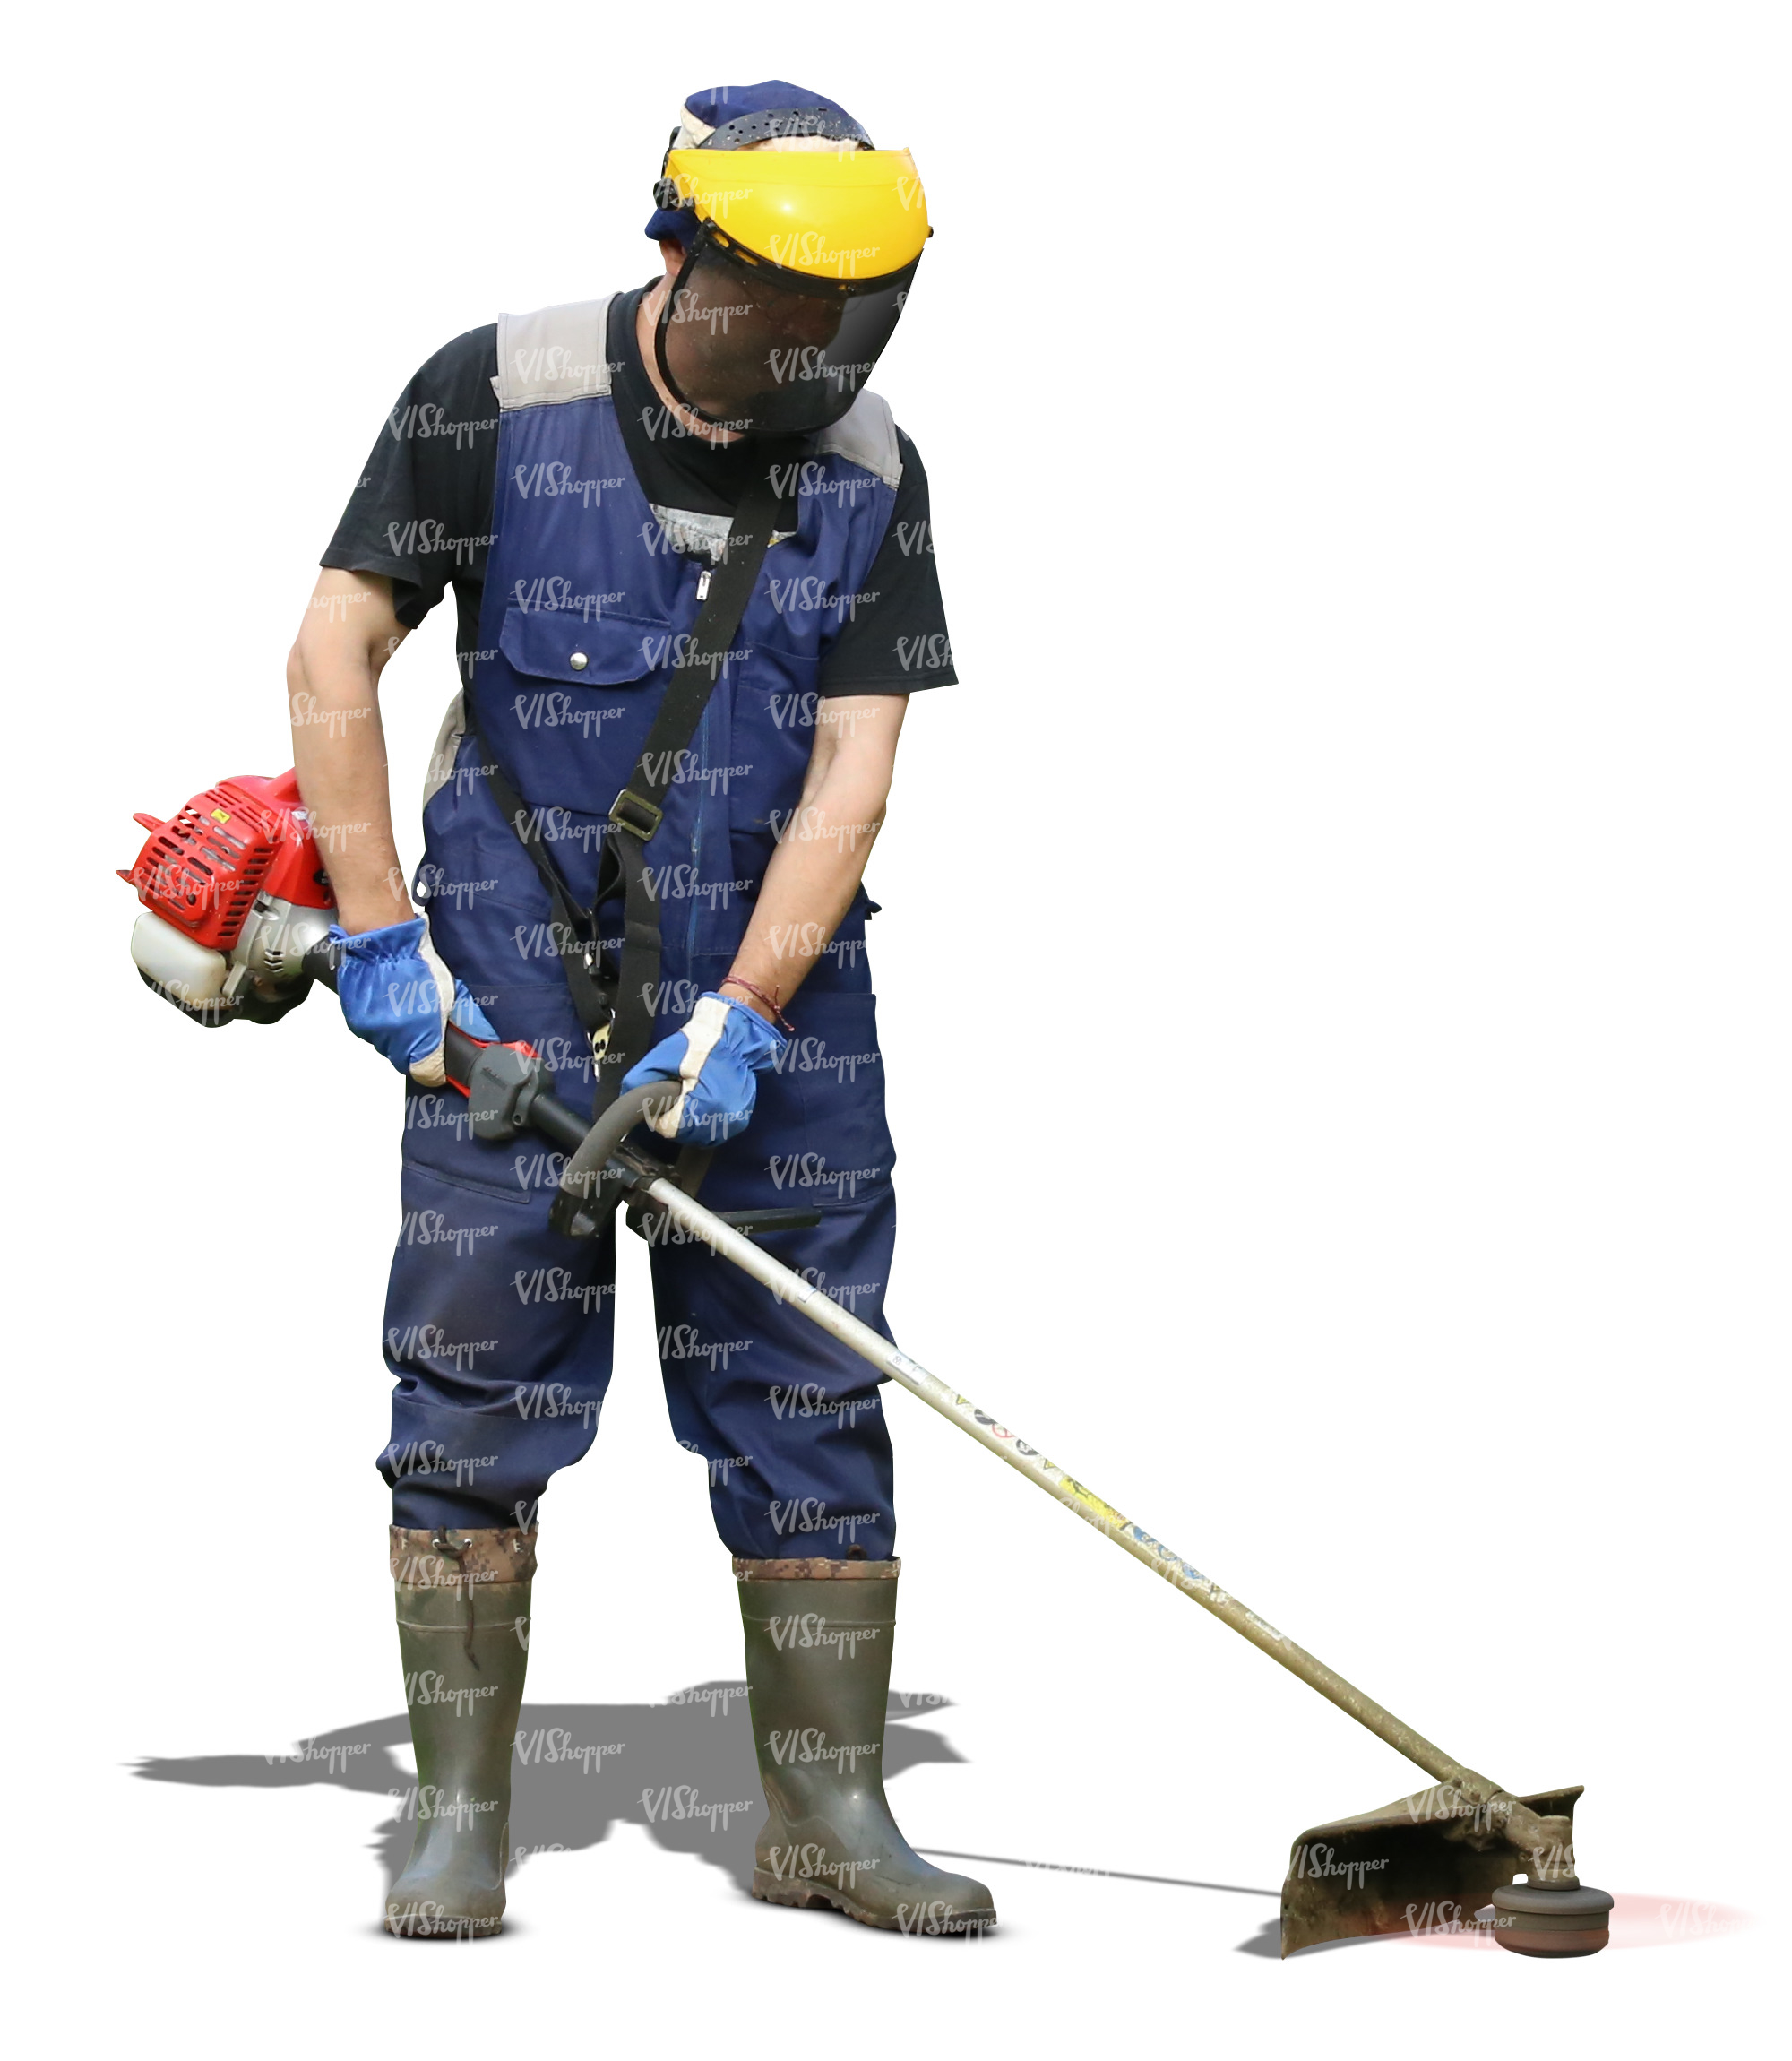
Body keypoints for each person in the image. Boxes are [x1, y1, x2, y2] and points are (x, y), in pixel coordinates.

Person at [286, 81, 994, 1940]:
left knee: (812, 1379)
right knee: (467, 1389)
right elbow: (333, 648)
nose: (818, 352)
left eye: (853, 317)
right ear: (679, 250)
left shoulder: (867, 465)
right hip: (505, 988)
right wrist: (377, 937)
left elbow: (855, 763)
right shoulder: (496, 395)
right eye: (786, 313)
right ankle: (453, 1812)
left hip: (778, 991)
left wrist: (751, 1009)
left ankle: (827, 1810)